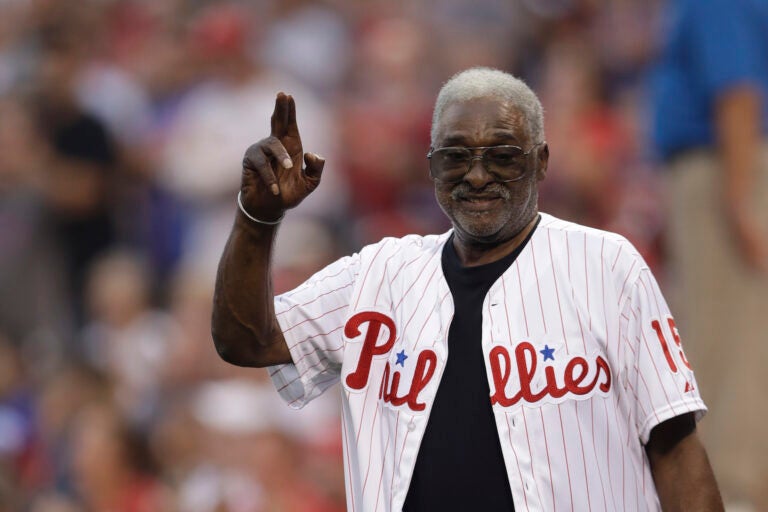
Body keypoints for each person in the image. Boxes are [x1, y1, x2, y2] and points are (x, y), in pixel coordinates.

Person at [213, 67, 723, 511]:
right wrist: (257, 219)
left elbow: (676, 448)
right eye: (455, 157)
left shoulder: (607, 266)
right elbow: (247, 341)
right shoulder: (378, 273)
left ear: (540, 161)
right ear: (432, 166)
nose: (476, 176)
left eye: (501, 155)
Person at [651, 0, 768, 508]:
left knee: (726, 347)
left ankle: (731, 494)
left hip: (725, 166)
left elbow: (737, 91)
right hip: (723, 166)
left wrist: (738, 196)